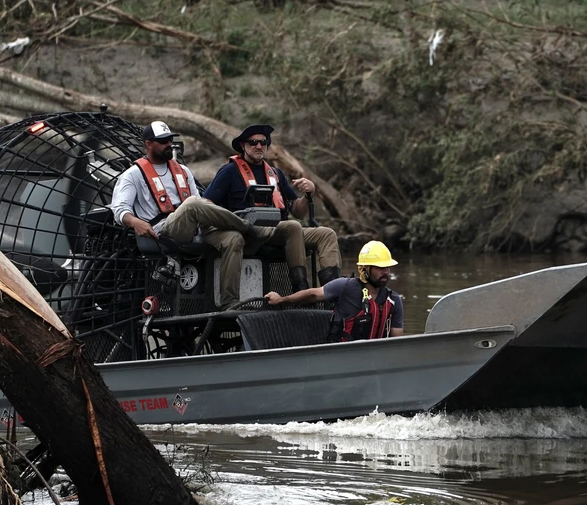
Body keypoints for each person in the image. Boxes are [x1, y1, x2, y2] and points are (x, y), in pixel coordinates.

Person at [110, 120, 272, 309]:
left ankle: (230, 301)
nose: (169, 144)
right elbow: (119, 209)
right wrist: (135, 222)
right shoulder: (133, 175)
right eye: (163, 141)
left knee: (233, 239)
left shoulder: (183, 170)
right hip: (163, 231)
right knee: (193, 204)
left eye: (170, 140)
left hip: (194, 226)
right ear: (148, 144)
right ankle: (249, 228)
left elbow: (200, 204)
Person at [203, 124, 341, 292]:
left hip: (280, 231)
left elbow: (298, 211)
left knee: (326, 234)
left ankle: (333, 291)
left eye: (263, 142)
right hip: (249, 231)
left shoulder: (275, 174)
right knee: (292, 226)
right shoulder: (229, 171)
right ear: (243, 146)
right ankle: (301, 290)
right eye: (253, 142)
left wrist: (308, 194)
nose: (259, 146)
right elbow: (206, 204)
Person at [263, 241, 404, 341]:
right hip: (344, 357)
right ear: (365, 269)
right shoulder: (345, 287)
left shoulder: (394, 300)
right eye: (380, 268)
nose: (385, 272)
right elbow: (313, 294)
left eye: (387, 268)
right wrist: (281, 300)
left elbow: (397, 341)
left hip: (375, 360)